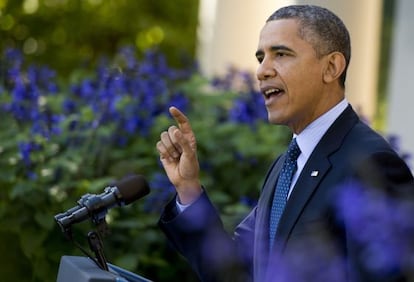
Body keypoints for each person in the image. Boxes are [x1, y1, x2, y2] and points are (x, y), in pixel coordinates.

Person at [156, 4, 414, 282]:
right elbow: (234, 270)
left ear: (331, 67)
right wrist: (188, 188)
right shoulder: (287, 164)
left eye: (281, 54)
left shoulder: (370, 163)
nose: (262, 71)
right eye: (260, 58)